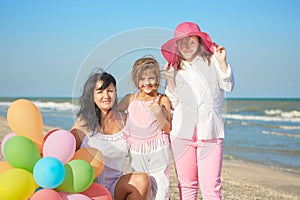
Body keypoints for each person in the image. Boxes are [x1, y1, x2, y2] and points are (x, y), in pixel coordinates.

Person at [161, 22, 235, 200]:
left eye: (191, 41)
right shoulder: (175, 69)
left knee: (212, 187)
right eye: (182, 42)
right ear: (177, 46)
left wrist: (223, 62)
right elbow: (173, 102)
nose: (187, 46)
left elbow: (229, 85)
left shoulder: (213, 62)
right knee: (186, 186)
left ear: (199, 41)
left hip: (210, 133)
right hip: (181, 135)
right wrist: (170, 80)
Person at [70, 70, 151, 200]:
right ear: (92, 96)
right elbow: (66, 153)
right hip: (87, 189)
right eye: (100, 92)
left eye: (110, 91)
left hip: (115, 186)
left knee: (142, 180)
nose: (106, 96)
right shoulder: (83, 122)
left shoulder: (125, 119)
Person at [117, 56, 172, 199]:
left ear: (158, 79)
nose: (147, 83)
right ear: (136, 81)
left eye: (151, 78)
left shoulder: (162, 99)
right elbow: (114, 116)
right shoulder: (130, 99)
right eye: (142, 79)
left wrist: (159, 114)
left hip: (158, 147)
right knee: (142, 185)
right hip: (136, 148)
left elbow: (167, 128)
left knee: (161, 186)